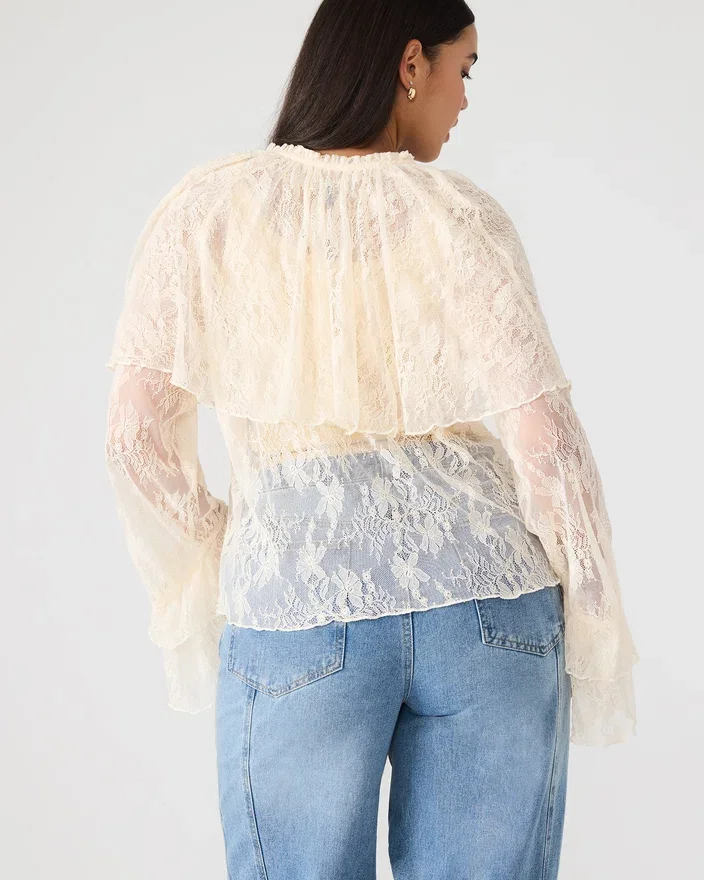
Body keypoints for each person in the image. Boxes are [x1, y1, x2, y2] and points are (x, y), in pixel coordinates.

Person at [104, 1, 639, 876]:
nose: (465, 99)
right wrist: (594, 615)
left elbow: (134, 440)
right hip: (491, 603)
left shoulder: (208, 210)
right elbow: (549, 441)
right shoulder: (459, 215)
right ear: (409, 64)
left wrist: (230, 550)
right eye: (464, 70)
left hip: (300, 601)